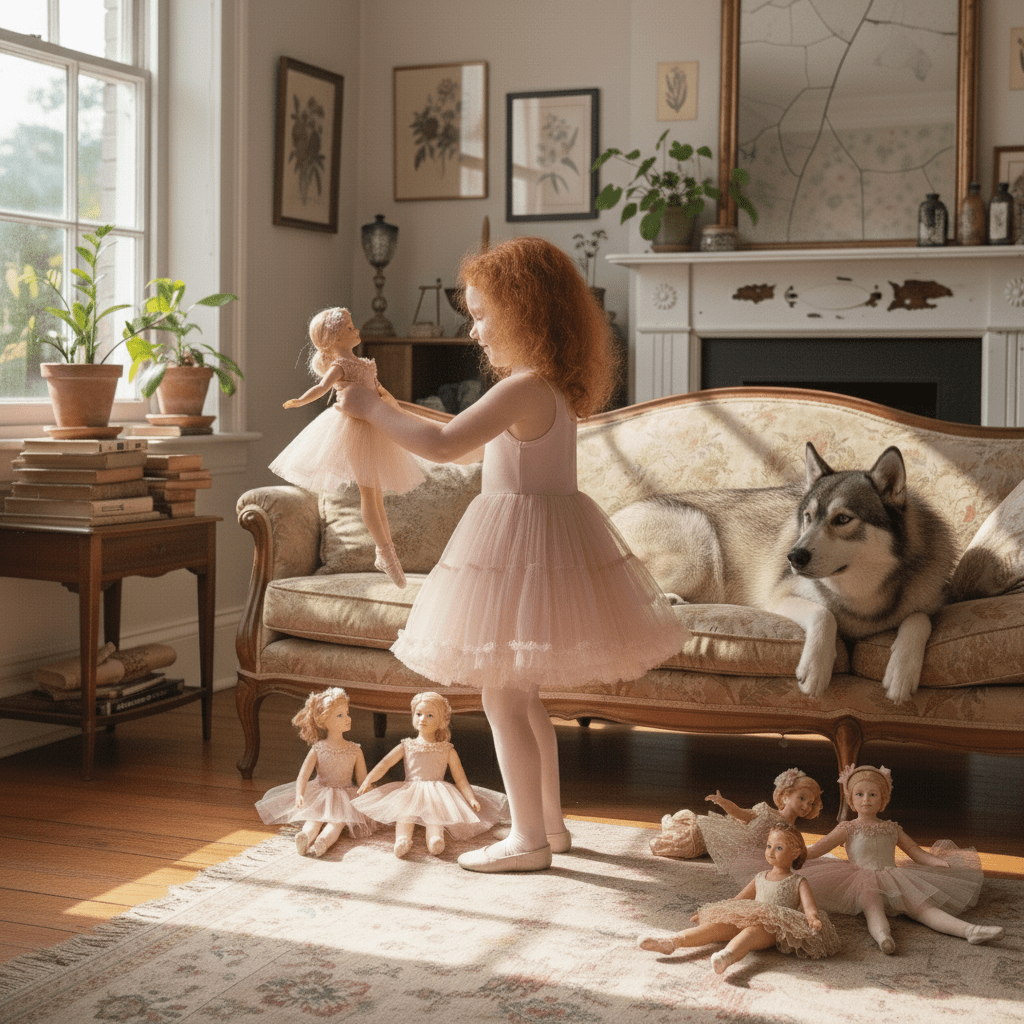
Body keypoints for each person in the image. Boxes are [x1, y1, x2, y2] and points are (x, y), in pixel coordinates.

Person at [338, 236, 686, 873]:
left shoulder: (523, 387)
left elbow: (444, 445)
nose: (473, 329)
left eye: (482, 315)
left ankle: (527, 839)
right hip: (545, 546)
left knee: (502, 698)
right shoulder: (545, 387)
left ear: (526, 313)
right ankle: (548, 827)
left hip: (517, 550)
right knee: (524, 700)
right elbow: (460, 440)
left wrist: (367, 406)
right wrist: (381, 404)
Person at [269, 306, 424, 587]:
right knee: (369, 492)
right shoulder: (340, 367)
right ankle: (386, 552)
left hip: (375, 426)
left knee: (376, 494)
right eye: (350, 328)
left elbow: (379, 392)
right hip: (353, 429)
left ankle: (386, 552)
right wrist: (300, 401)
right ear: (335, 338)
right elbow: (321, 389)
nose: (357, 331)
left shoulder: (364, 363)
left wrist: (395, 411)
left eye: (353, 327)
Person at [803, 764, 1004, 953]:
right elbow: (820, 847)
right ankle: (884, 938)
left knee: (923, 908)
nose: (866, 799)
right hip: (859, 879)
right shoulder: (847, 828)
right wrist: (800, 854)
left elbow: (913, 849)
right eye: (860, 794)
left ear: (883, 800)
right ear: (851, 800)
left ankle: (970, 931)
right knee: (872, 906)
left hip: (894, 876)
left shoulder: (892, 827)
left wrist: (934, 861)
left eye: (873, 794)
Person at [639, 822, 841, 974]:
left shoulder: (798, 881)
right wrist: (711, 913)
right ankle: (672, 942)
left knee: (750, 934)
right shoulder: (760, 877)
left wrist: (812, 918)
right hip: (749, 915)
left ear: (795, 852)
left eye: (779, 848)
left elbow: (809, 907)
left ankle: (726, 957)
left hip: (773, 926)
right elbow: (737, 900)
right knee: (714, 928)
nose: (771, 852)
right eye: (769, 846)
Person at [352, 691, 507, 858]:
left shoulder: (446, 749)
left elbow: (460, 779)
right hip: (410, 789)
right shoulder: (407, 745)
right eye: (418, 714)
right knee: (405, 813)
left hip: (437, 791)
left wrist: (471, 798)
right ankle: (402, 839)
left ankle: (435, 839)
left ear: (441, 721)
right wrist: (369, 779)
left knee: (435, 814)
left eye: (430, 715)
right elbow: (385, 764)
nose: (422, 719)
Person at [254, 686, 376, 856]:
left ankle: (322, 842)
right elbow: (303, 775)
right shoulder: (318, 749)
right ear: (324, 721)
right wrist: (300, 794)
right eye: (340, 715)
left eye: (347, 713)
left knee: (337, 823)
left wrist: (369, 793)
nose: (347, 718)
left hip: (343, 796)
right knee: (315, 819)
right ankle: (305, 836)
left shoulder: (355, 750)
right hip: (320, 793)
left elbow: (362, 780)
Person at [650, 767, 824, 887]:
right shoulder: (766, 812)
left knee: (693, 847)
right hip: (710, 835)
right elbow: (740, 813)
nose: (806, 806)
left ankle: (675, 825)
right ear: (785, 796)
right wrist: (723, 802)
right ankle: (673, 824)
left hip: (726, 849)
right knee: (668, 845)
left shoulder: (791, 831)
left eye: (810, 803)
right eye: (802, 798)